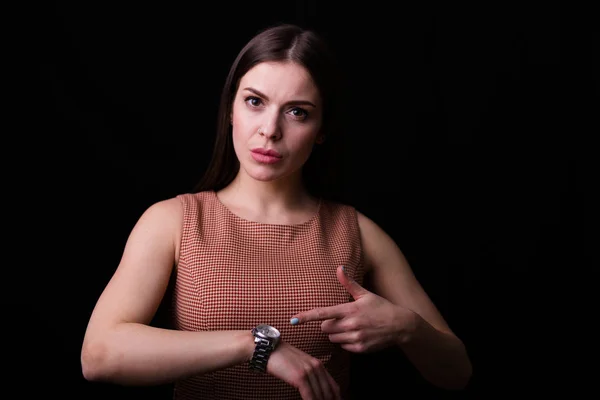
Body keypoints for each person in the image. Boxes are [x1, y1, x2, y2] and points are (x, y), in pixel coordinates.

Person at [80, 23, 473, 400]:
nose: (270, 129)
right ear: (231, 109)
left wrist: (408, 328)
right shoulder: (173, 221)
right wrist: (256, 345)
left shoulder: (358, 233)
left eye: (297, 111)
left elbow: (457, 373)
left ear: (321, 129)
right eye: (255, 101)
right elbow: (99, 355)